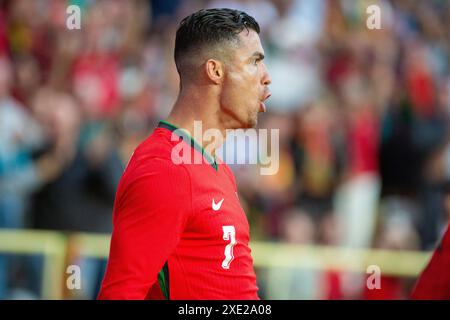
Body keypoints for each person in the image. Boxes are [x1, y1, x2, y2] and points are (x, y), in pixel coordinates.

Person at [98, 8, 271, 300]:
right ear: (215, 71)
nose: (266, 78)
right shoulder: (164, 169)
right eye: (254, 62)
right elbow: (121, 294)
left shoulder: (215, 168)